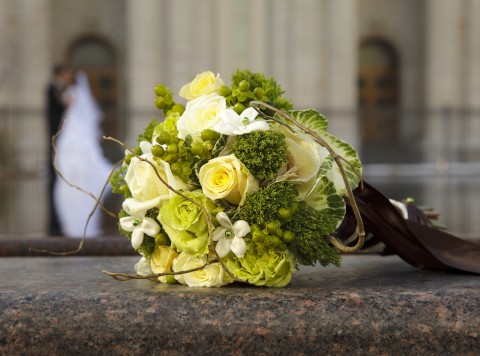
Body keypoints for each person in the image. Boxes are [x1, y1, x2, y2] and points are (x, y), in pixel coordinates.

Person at [53, 71, 113, 237]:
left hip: (73, 127)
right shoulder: (78, 93)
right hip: (74, 127)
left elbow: (66, 104)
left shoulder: (72, 92)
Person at [46, 64, 72, 236]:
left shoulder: (64, 88)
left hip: (62, 128)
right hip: (55, 129)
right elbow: (55, 108)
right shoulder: (51, 88)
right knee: (53, 153)